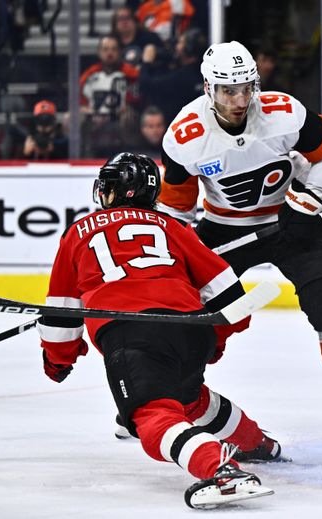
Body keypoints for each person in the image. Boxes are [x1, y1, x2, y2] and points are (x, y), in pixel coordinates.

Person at [156, 41, 322, 440]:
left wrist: (309, 199)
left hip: (291, 218)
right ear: (208, 88)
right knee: (188, 314)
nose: (241, 99)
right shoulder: (185, 135)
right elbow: (175, 207)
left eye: (247, 87)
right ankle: (160, 397)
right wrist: (178, 252)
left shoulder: (283, 113)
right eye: (229, 90)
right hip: (224, 227)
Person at [37, 152, 279, 509]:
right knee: (190, 399)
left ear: (116, 190)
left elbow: (61, 313)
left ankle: (223, 470)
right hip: (190, 327)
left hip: (131, 331)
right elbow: (229, 295)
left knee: (152, 416)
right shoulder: (174, 227)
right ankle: (259, 443)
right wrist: (214, 341)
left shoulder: (78, 232)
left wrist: (57, 362)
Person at [79, 34, 140, 157]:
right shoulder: (90, 74)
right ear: (99, 52)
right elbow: (80, 103)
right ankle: (82, 155)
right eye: (105, 49)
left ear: (120, 52)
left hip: (119, 115)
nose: (110, 53)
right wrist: (90, 112)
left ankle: (126, 158)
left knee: (128, 116)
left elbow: (136, 100)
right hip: (94, 116)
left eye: (113, 49)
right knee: (73, 118)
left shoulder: (130, 73)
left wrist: (122, 109)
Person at [139, 27, 206, 121]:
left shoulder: (182, 77)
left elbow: (146, 85)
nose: (176, 46)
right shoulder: (206, 71)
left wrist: (146, 62)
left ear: (188, 48)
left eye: (180, 42)